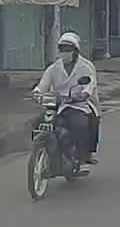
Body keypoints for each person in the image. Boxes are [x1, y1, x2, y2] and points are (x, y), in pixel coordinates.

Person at [32, 32, 100, 164]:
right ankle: (42, 150)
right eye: (62, 49)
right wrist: (37, 93)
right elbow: (42, 85)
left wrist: (83, 94)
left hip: (78, 105)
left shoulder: (85, 67)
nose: (65, 53)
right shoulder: (54, 68)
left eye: (68, 50)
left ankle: (81, 156)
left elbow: (89, 85)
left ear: (76, 51)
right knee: (38, 123)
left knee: (79, 125)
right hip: (55, 105)